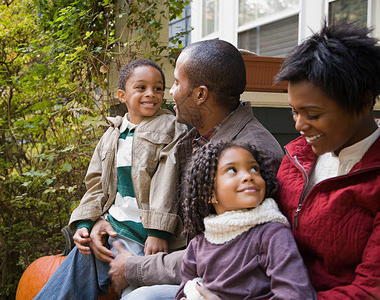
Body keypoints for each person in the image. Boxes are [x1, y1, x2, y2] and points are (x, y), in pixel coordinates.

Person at [106, 40, 285, 299]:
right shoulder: (192, 140)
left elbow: (219, 252)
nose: (171, 93)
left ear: (200, 95)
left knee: (138, 297)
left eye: (177, 83)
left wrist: (135, 268)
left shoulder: (251, 156)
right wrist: (99, 220)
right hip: (185, 263)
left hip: (227, 284)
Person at [34, 58, 188, 299]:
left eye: (158, 88)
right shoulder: (111, 136)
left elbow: (167, 182)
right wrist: (86, 223)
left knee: (135, 292)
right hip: (115, 230)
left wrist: (159, 231)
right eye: (141, 87)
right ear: (121, 95)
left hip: (147, 237)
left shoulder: (171, 128)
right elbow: (96, 185)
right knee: (77, 263)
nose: (151, 94)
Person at [273, 22, 380, 299]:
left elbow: (369, 291)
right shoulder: (296, 156)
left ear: (363, 102)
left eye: (313, 114)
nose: (299, 125)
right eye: (294, 112)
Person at [173, 142, 316, 300]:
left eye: (254, 168)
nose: (249, 176)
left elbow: (295, 295)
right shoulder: (199, 244)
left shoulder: (272, 234)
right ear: (208, 193)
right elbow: (184, 289)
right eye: (232, 170)